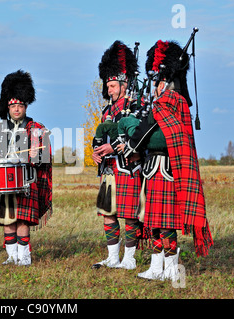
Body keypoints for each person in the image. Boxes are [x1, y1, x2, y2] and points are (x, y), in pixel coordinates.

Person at [118, 40, 213, 281]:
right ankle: (156, 267)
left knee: (166, 222)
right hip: (155, 169)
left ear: (165, 81)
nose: (154, 86)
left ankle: (171, 268)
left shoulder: (173, 102)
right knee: (156, 221)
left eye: (157, 81)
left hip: (167, 169)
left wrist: (130, 127)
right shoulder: (163, 104)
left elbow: (158, 138)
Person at [0, 70, 52, 266]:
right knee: (7, 219)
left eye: (20, 105)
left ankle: (25, 257)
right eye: (13, 105)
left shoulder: (36, 127)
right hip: (3, 183)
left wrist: (36, 156)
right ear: (8, 106)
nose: (16, 109)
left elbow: (45, 156)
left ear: (25, 106)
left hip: (27, 181)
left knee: (22, 220)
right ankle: (11, 256)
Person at [91, 41, 144, 270]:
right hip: (108, 170)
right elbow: (100, 139)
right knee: (108, 213)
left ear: (124, 84)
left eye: (112, 85)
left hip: (129, 167)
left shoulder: (136, 105)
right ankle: (113, 257)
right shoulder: (106, 111)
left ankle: (129, 259)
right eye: (108, 85)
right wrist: (95, 152)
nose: (109, 90)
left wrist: (115, 148)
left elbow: (140, 134)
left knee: (130, 214)